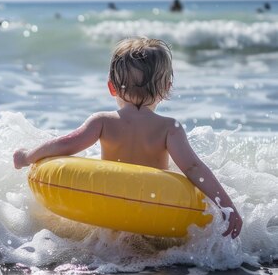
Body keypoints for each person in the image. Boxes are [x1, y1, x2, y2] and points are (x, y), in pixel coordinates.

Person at [13, 37, 242, 239]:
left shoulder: (102, 121)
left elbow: (66, 144)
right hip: (154, 211)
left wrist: (27, 156)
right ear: (166, 88)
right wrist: (226, 206)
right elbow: (193, 168)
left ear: (112, 88)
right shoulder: (169, 127)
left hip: (108, 208)